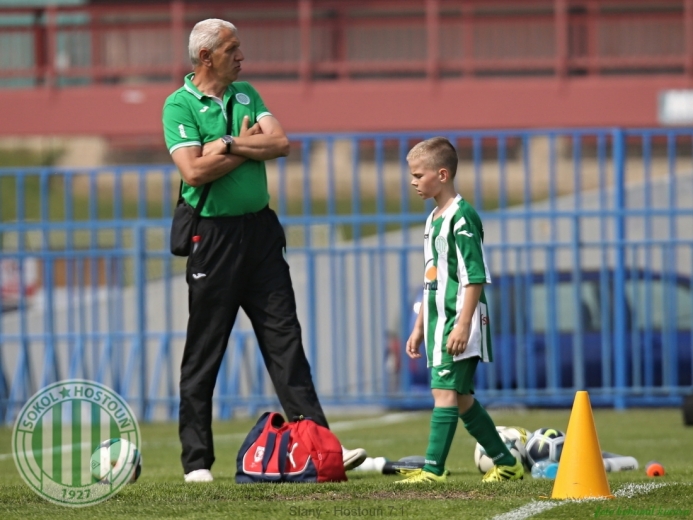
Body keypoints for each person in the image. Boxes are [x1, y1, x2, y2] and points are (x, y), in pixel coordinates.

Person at [162, 18, 366, 483]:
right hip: (212, 239)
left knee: (285, 342)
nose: (242, 57)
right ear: (206, 57)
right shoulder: (178, 105)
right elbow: (193, 173)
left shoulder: (247, 93)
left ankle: (320, 447)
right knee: (204, 350)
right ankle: (196, 462)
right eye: (233, 50)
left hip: (260, 233)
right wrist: (248, 144)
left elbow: (281, 143)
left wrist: (229, 143)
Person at [397, 137, 524, 483]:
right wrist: (420, 324)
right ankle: (507, 464)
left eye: (418, 175)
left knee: (444, 393)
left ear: (442, 174)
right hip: (439, 321)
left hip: (458, 320)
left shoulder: (462, 216)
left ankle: (433, 469)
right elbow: (432, 278)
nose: (413, 181)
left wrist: (463, 324)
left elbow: (475, 275)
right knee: (462, 398)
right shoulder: (433, 219)